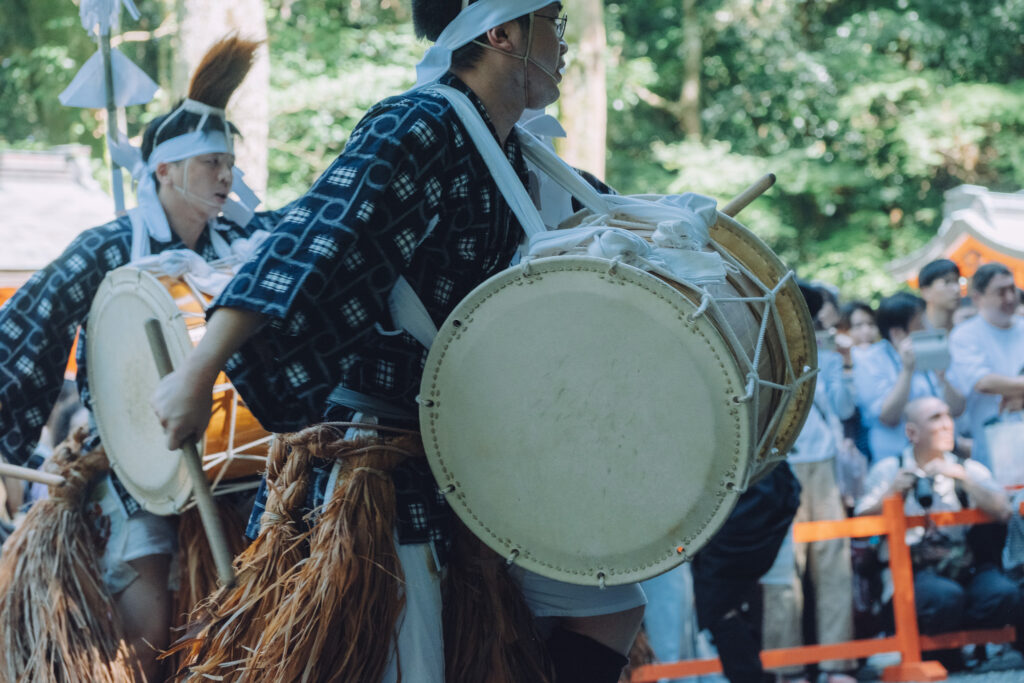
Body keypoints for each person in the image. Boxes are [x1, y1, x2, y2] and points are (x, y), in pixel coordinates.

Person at [153, 3, 645, 682]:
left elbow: (605, 230)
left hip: (471, 458)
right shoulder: (417, 123)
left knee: (608, 603)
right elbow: (313, 244)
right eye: (552, 22)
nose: (564, 44)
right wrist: (197, 373)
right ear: (503, 32)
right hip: (384, 465)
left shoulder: (515, 151)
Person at [0, 36, 282, 681]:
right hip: (132, 462)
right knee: (149, 629)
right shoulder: (106, 247)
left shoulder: (246, 240)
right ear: (164, 171)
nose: (226, 177)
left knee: (240, 619)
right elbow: (28, 326)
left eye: (229, 164)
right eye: (210, 163)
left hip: (233, 462)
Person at [855, 396, 1021, 669]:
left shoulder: (966, 468)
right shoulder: (890, 470)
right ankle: (932, 652)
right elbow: (859, 525)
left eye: (948, 416)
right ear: (912, 432)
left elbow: (1004, 511)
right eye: (935, 418)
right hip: (911, 574)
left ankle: (964, 649)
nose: (947, 425)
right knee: (944, 597)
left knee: (1004, 593)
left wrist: (963, 480)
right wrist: (892, 493)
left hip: (963, 569)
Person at [762, 282, 857, 683]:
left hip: (822, 459)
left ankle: (838, 664)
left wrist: (843, 364)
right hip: (778, 463)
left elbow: (844, 409)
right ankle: (787, 669)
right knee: (783, 567)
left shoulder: (825, 351)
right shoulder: (761, 345)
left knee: (833, 560)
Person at [852, 292, 964, 463]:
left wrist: (944, 380)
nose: (926, 329)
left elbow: (957, 409)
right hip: (894, 460)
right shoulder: (869, 360)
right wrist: (907, 370)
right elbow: (888, 417)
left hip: (939, 456)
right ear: (897, 333)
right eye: (920, 324)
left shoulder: (931, 352)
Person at [949, 262, 1024, 469]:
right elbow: (982, 382)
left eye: (1012, 289)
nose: (1010, 298)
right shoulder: (965, 335)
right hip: (993, 448)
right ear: (977, 298)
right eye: (1001, 292)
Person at [918, 259, 962, 333]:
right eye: (947, 282)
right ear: (926, 292)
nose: (957, 289)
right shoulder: (916, 331)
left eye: (957, 281)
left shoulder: (965, 328)